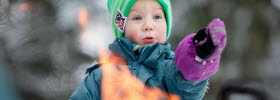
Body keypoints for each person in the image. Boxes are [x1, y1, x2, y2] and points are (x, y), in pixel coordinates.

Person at [70, 0, 227, 100]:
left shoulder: (169, 69)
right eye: (137, 18)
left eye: (157, 17)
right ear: (121, 26)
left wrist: (199, 54)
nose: (148, 25)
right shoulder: (102, 75)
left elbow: (187, 81)